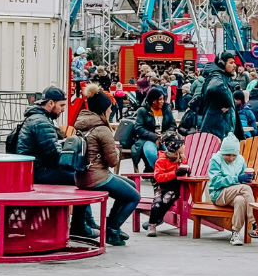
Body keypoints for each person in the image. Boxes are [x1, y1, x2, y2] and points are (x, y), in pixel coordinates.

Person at [17, 86, 96, 237]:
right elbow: (53, 154)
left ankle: (87, 221)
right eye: (61, 105)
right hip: (40, 172)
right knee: (82, 178)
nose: (63, 110)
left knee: (78, 174)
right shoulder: (42, 122)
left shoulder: (37, 118)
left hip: (34, 169)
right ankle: (80, 225)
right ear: (51, 103)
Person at [74, 89, 141, 246]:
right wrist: (116, 150)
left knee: (130, 185)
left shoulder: (82, 124)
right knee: (134, 196)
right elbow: (112, 161)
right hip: (96, 177)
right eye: (110, 107)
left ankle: (113, 227)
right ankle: (111, 229)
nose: (112, 110)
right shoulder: (102, 129)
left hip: (82, 175)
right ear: (103, 109)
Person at [208, 133, 258, 245]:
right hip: (218, 193)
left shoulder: (240, 160)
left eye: (234, 155)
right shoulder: (215, 160)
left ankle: (235, 234)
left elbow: (240, 179)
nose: (231, 158)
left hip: (235, 193)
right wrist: (237, 178)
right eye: (227, 155)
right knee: (246, 189)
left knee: (240, 200)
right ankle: (256, 222)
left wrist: (246, 179)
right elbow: (216, 182)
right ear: (222, 152)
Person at [143, 131, 188, 237]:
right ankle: (152, 224)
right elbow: (158, 177)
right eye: (182, 144)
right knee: (157, 202)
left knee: (166, 199)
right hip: (162, 186)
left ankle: (158, 219)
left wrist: (186, 172)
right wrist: (175, 173)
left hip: (176, 188)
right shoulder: (162, 160)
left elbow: (184, 176)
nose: (184, 146)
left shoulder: (182, 159)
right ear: (176, 147)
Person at [198, 51, 242, 139]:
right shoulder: (217, 76)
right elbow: (214, 87)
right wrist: (227, 103)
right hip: (218, 130)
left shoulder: (220, 76)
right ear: (222, 64)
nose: (234, 66)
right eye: (231, 63)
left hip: (219, 129)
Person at [131, 87, 177, 172]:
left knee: (171, 152)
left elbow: (172, 125)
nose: (162, 101)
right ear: (153, 100)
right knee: (151, 152)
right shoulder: (142, 111)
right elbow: (139, 128)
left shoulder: (166, 109)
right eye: (159, 99)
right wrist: (154, 137)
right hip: (148, 139)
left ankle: (170, 172)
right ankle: (157, 171)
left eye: (163, 99)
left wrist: (164, 135)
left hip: (165, 138)